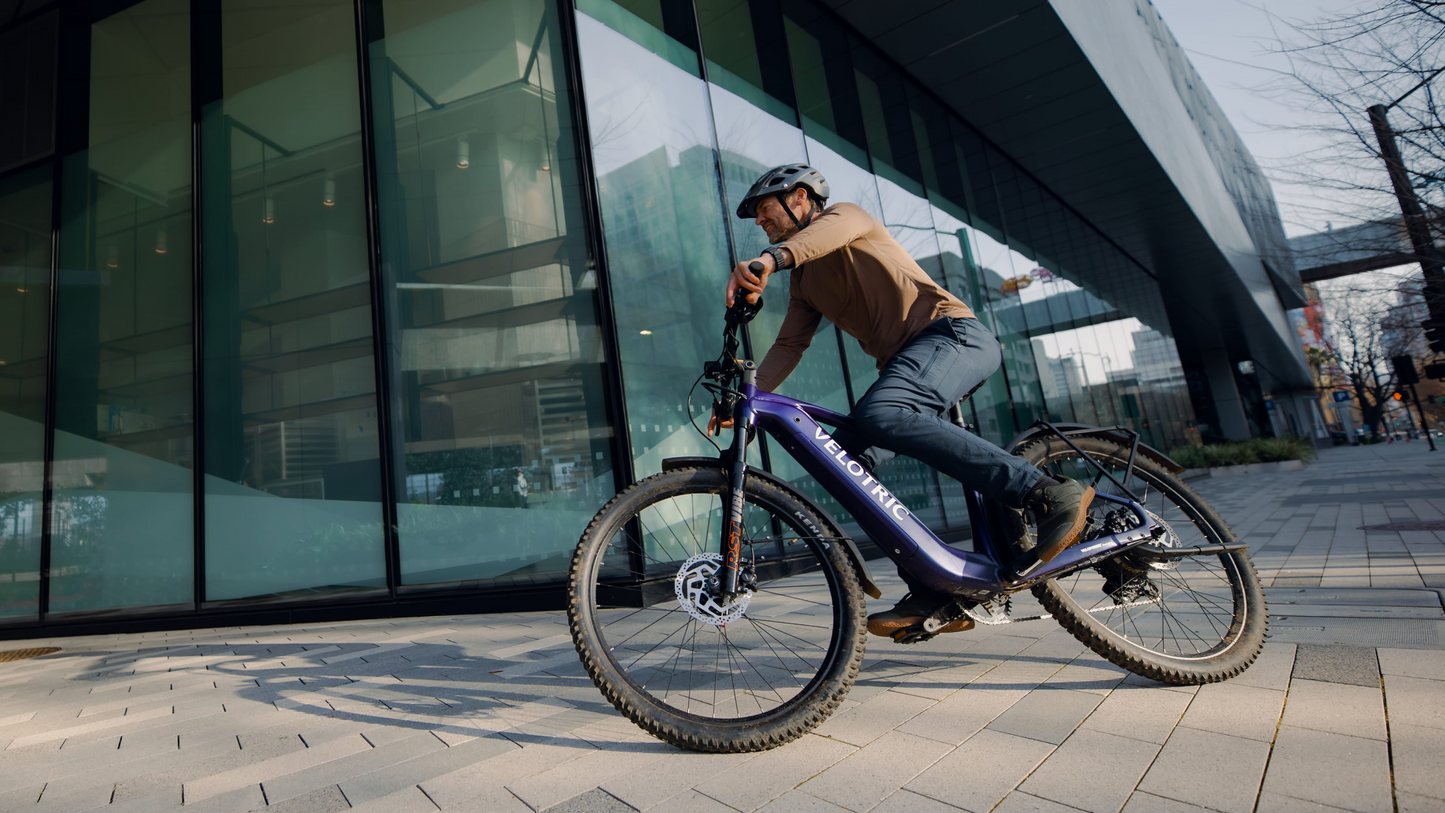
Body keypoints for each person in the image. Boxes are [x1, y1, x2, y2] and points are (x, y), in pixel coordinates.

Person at [715, 164, 1095, 640]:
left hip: (952, 336)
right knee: (843, 461)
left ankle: (1044, 491)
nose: (759, 222)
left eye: (765, 209)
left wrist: (768, 261)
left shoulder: (847, 220)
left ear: (801, 198)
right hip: (911, 368)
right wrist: (745, 398)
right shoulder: (805, 284)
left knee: (883, 413)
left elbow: (813, 239)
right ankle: (937, 588)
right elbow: (790, 347)